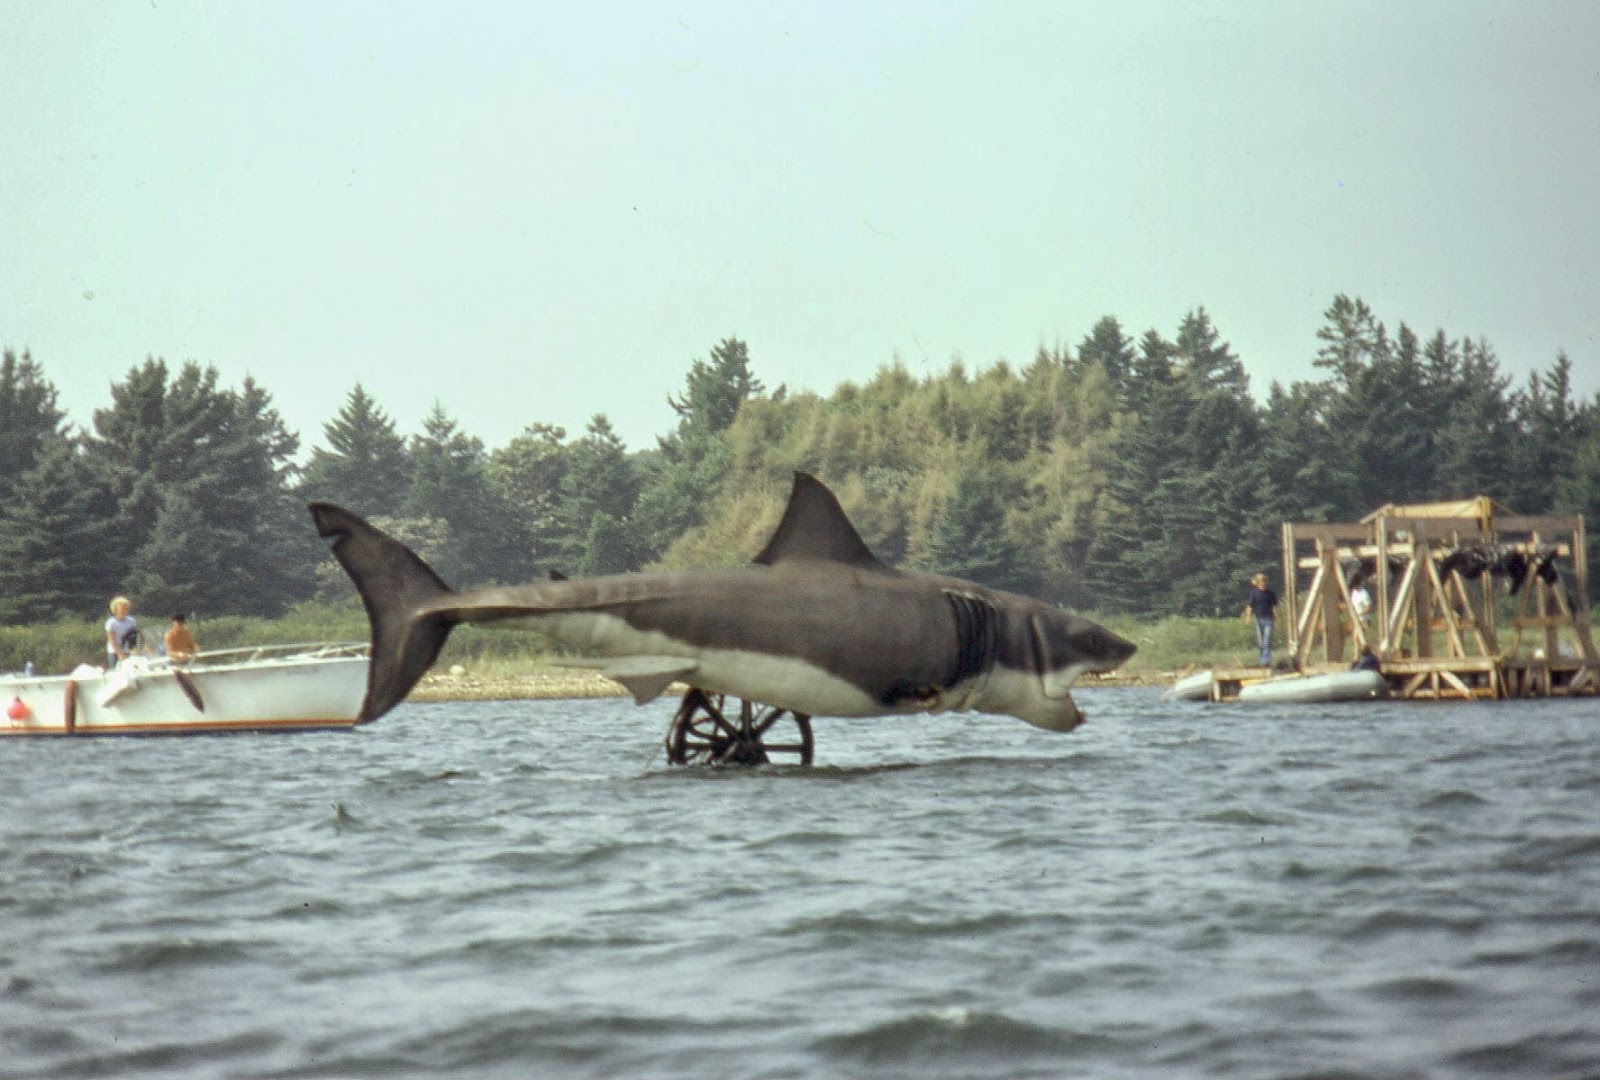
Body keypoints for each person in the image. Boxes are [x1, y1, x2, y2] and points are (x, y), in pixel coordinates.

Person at [1242, 572, 1278, 668]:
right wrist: (1248, 618)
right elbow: (1250, 606)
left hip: (1269, 619)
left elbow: (1275, 607)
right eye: (1261, 581)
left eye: (1264, 581)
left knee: (1267, 640)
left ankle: (1266, 661)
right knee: (1261, 641)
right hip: (1258, 619)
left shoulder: (1270, 593)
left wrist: (1278, 619)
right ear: (1258, 582)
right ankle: (1262, 660)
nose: (1263, 583)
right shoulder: (1254, 593)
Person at [105, 596, 140, 668]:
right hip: (115, 653)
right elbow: (112, 640)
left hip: (128, 651)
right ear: (115, 609)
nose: (124, 610)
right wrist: (120, 654)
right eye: (121, 608)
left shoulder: (131, 621)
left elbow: (133, 637)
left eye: (126, 608)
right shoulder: (111, 623)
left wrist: (135, 651)